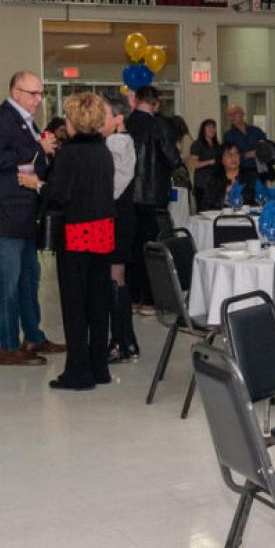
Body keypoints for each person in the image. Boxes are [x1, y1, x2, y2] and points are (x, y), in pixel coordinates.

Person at [18, 92, 115, 392]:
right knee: (98, 303)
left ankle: (78, 373)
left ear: (74, 120)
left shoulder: (70, 154)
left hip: (77, 232)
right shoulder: (103, 150)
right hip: (104, 230)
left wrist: (37, 184)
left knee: (75, 305)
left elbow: (59, 194)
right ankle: (99, 367)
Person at [0, 71, 63, 367]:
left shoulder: (25, 119)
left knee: (29, 279)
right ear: (16, 92)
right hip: (7, 212)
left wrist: (46, 154)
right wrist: (38, 148)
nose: (39, 99)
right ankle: (8, 346)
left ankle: (34, 336)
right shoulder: (1, 119)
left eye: (41, 93)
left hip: (25, 211)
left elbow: (31, 163)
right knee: (8, 283)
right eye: (33, 93)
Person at [125, 84, 180, 308]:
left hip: (127, 194)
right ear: (156, 104)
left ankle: (132, 296)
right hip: (153, 194)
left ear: (137, 100)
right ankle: (149, 299)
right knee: (151, 246)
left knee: (131, 246)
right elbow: (173, 159)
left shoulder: (125, 123)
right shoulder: (160, 125)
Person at [102, 94, 140, 364]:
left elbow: (114, 187)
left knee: (116, 277)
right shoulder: (116, 141)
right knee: (116, 276)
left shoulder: (118, 142)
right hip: (120, 216)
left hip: (118, 217)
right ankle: (126, 339)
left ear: (118, 118)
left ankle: (120, 341)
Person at [194, 143, 251, 211]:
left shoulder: (250, 176)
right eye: (228, 155)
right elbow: (206, 205)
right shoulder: (214, 179)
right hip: (220, 216)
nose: (233, 157)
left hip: (246, 215)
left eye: (236, 154)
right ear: (221, 160)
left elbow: (256, 201)